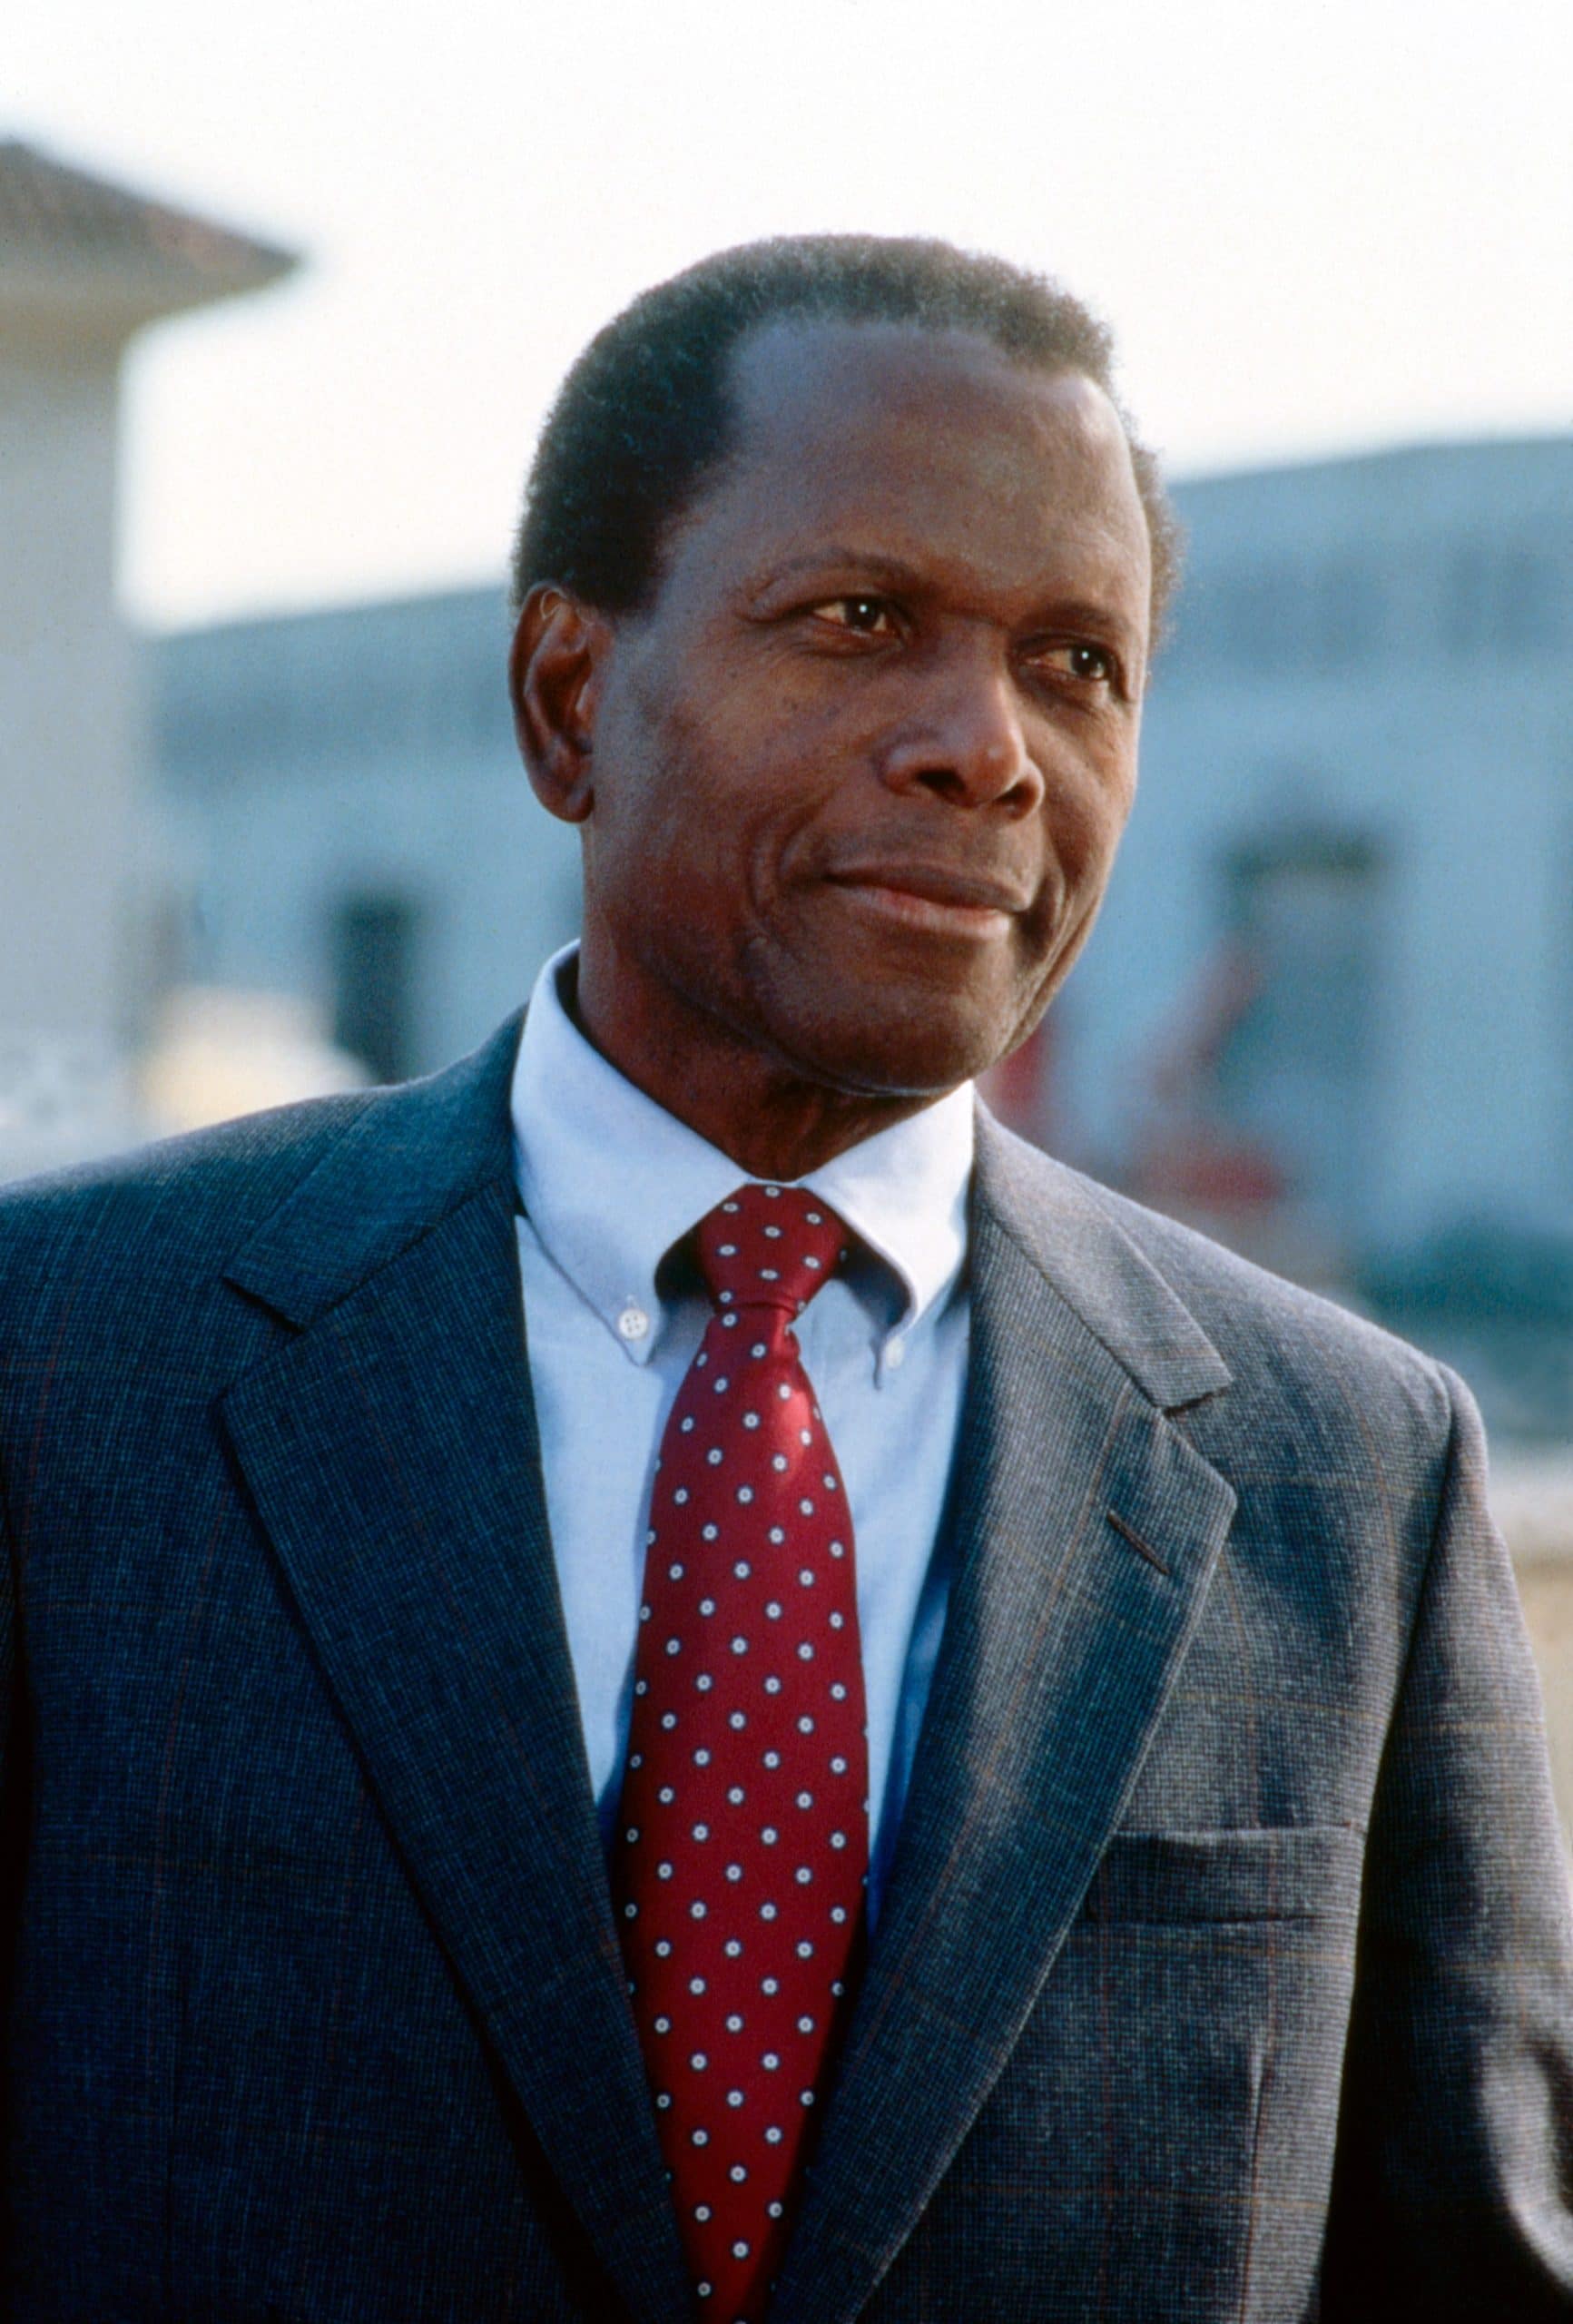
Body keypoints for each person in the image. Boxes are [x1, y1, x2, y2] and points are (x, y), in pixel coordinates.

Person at [2, 237, 1570, 2324]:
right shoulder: (67, 1366)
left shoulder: (1344, 1473)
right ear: (570, 696)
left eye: (1079, 664)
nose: (989, 748)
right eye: (861, 618)